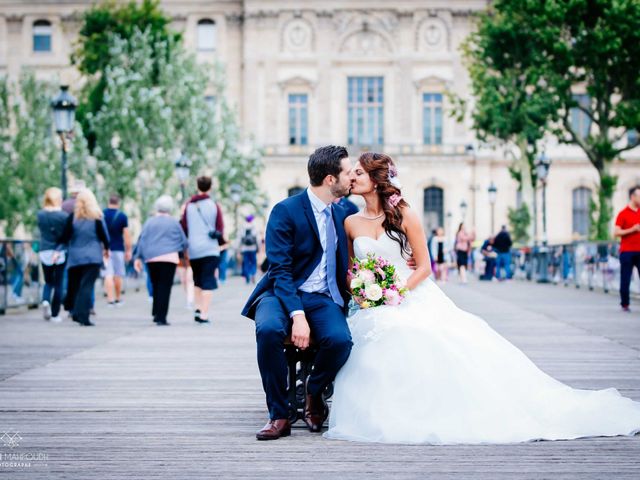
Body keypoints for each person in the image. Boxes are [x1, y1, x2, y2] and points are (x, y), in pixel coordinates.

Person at [325, 152, 640, 444]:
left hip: (409, 293)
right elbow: (352, 270)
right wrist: (363, 289)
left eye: (359, 173)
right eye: (351, 174)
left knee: (423, 335)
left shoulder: (405, 214)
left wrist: (398, 291)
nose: (352, 178)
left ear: (377, 179)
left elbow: (425, 266)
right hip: (374, 303)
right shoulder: (350, 222)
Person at [241, 146, 355, 441]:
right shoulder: (286, 210)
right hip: (280, 294)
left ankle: (313, 394)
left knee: (341, 341)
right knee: (268, 330)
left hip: (322, 298)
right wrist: (297, 314)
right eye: (346, 172)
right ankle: (279, 414)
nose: (351, 177)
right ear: (331, 179)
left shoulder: (344, 212)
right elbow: (280, 270)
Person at [134, 195, 188, 326]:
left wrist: (138, 257)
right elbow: (184, 242)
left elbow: (142, 240)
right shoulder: (174, 222)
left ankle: (156, 313)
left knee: (156, 284)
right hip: (169, 258)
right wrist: (179, 249)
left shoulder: (149, 222)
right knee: (165, 286)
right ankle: (161, 317)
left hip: (151, 258)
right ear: (170, 208)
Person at [60, 189, 110, 327]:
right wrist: (106, 249)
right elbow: (104, 236)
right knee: (86, 286)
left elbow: (65, 237)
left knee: (75, 286)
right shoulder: (97, 217)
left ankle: (75, 311)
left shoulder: (72, 218)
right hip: (93, 257)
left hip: (75, 257)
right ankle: (83, 316)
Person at [181, 176, 225, 324]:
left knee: (197, 280)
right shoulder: (214, 205)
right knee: (208, 281)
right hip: (210, 249)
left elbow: (184, 227)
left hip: (194, 249)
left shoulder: (188, 205)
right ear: (210, 187)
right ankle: (205, 314)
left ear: (197, 186)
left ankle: (198, 308)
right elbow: (220, 228)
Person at [37, 187, 69, 322]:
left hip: (44, 250)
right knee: (58, 283)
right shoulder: (63, 216)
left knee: (48, 281)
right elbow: (66, 236)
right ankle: (55, 314)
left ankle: (45, 300)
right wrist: (59, 249)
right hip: (59, 251)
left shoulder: (40, 214)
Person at [614, 185, 640, 312]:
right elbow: (616, 232)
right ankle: (625, 303)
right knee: (626, 278)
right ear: (633, 197)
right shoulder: (623, 213)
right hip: (627, 251)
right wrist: (633, 229)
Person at [103, 194, 132, 306]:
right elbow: (126, 235)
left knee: (108, 274)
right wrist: (128, 250)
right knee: (118, 274)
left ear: (108, 201)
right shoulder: (122, 216)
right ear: (118, 203)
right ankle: (118, 298)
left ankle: (110, 299)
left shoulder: (102, 215)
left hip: (105, 249)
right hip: (118, 248)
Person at [240, 215, 259, 284]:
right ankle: (253, 274)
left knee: (246, 263)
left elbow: (240, 238)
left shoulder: (242, 227)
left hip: (245, 248)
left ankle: (247, 276)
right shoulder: (254, 226)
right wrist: (258, 247)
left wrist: (239, 248)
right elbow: (257, 238)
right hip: (253, 248)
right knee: (253, 262)